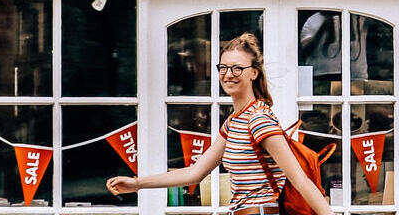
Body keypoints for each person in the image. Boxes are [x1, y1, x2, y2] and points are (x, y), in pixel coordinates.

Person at [106, 33, 335, 215]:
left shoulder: (258, 120)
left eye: (237, 68)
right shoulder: (234, 122)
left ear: (254, 73)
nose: (228, 74)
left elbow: (300, 180)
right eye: (223, 68)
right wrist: (137, 184)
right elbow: (195, 172)